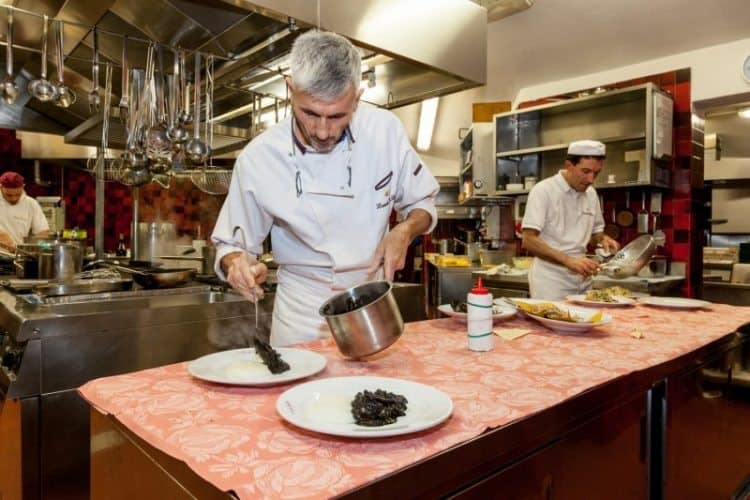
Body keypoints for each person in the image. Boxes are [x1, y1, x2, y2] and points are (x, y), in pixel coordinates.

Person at [212, 30, 439, 346]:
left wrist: (404, 230)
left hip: (370, 304)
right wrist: (237, 264)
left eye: (337, 116)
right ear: (290, 89)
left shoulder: (385, 131)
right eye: (310, 113)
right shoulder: (260, 157)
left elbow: (424, 205)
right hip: (301, 313)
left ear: (357, 99)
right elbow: (229, 245)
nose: (322, 131)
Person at [521, 140, 619, 300]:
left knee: (586, 323)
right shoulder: (544, 191)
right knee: (555, 322)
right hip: (551, 281)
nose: (591, 179)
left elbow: (596, 235)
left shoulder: (591, 194)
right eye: (585, 171)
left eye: (596, 173)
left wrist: (604, 240)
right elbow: (528, 240)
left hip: (584, 278)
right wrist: (569, 261)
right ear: (569, 165)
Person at [0, 171, 49, 249]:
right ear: (1, 187)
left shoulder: (31, 204)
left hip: (17, 255)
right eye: (9, 195)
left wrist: (40, 248)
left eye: (17, 195)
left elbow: (42, 232)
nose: (14, 198)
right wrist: (3, 237)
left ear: (23, 187)